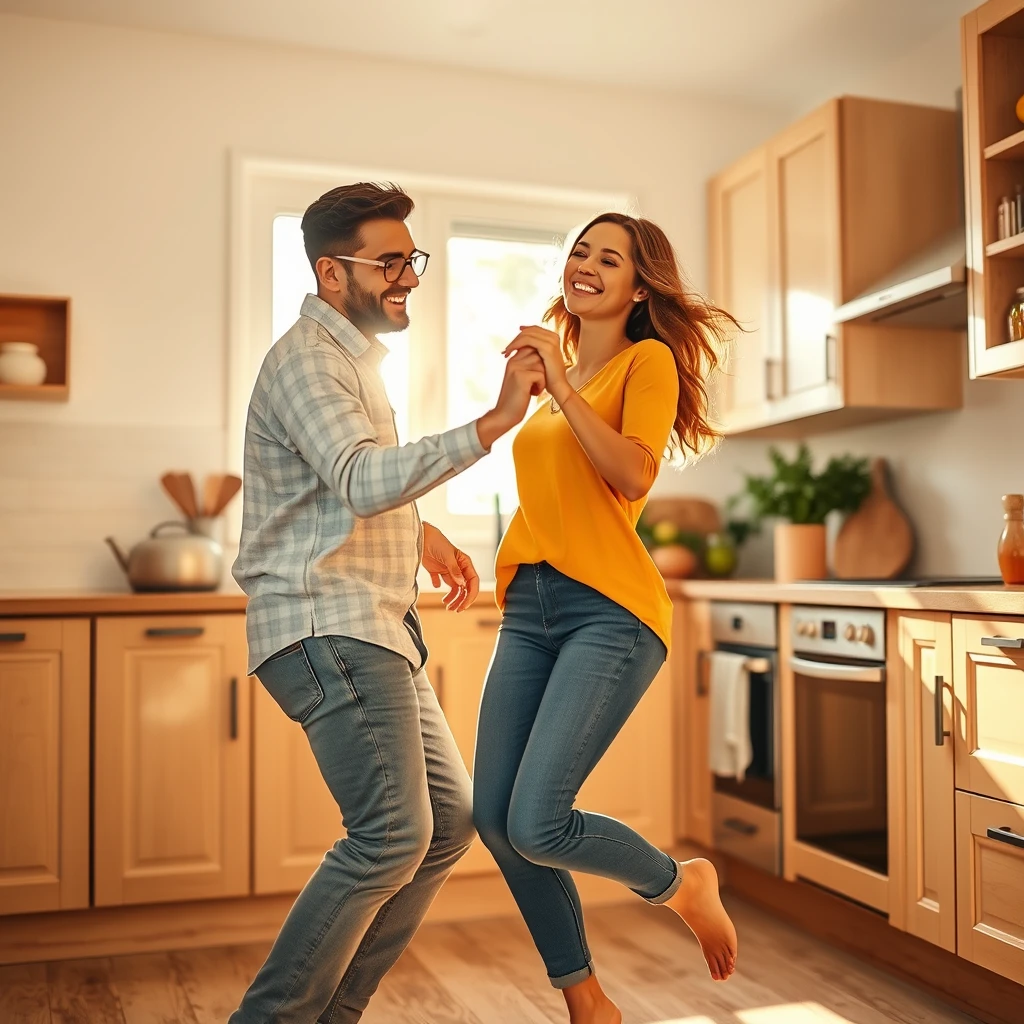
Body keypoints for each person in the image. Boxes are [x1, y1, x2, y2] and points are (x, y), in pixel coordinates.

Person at [229, 182, 545, 1024]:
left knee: (446, 824)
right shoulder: (307, 359)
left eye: (414, 259)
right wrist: (496, 421)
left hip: (370, 624)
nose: (409, 276)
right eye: (391, 261)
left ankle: (333, 1016)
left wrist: (419, 531)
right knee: (390, 835)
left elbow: (352, 483)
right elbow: (361, 477)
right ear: (333, 274)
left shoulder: (352, 363)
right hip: (323, 622)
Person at [472, 212, 740, 1024]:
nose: (586, 264)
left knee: (539, 820)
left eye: (609, 258)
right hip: (531, 608)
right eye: (580, 251)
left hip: (610, 612)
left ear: (637, 285)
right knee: (495, 817)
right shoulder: (559, 385)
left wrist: (557, 384)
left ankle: (679, 881)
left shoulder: (645, 361)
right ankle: (586, 998)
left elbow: (629, 474)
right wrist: (527, 391)